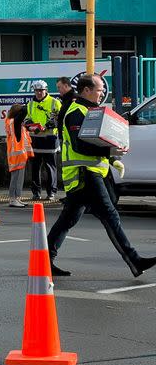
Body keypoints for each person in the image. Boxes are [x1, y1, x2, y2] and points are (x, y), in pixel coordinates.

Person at [47, 73, 156, 278]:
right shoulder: (76, 112)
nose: (102, 93)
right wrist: (110, 153)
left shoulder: (90, 111)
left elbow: (96, 142)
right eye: (99, 90)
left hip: (91, 173)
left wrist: (113, 159)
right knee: (110, 215)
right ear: (86, 90)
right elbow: (81, 145)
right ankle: (134, 260)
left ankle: (44, 260)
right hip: (84, 175)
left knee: (68, 220)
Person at [24, 80, 61, 201]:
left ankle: (51, 192)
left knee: (50, 168)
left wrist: (52, 124)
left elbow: (61, 119)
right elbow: (26, 119)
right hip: (35, 140)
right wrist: (29, 124)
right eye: (37, 90)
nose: (39, 93)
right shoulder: (30, 104)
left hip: (50, 139)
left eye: (41, 90)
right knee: (35, 168)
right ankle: (36, 192)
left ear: (46, 90)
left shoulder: (55, 102)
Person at [5, 104, 33, 208]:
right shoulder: (14, 122)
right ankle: (13, 199)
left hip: (18, 155)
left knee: (18, 178)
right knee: (16, 178)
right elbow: (24, 112)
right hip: (17, 155)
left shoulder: (12, 122)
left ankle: (17, 198)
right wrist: (26, 106)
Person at [55, 76, 75, 142]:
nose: (58, 90)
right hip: (64, 137)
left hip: (70, 138)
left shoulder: (74, 99)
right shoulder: (65, 99)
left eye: (59, 87)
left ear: (66, 86)